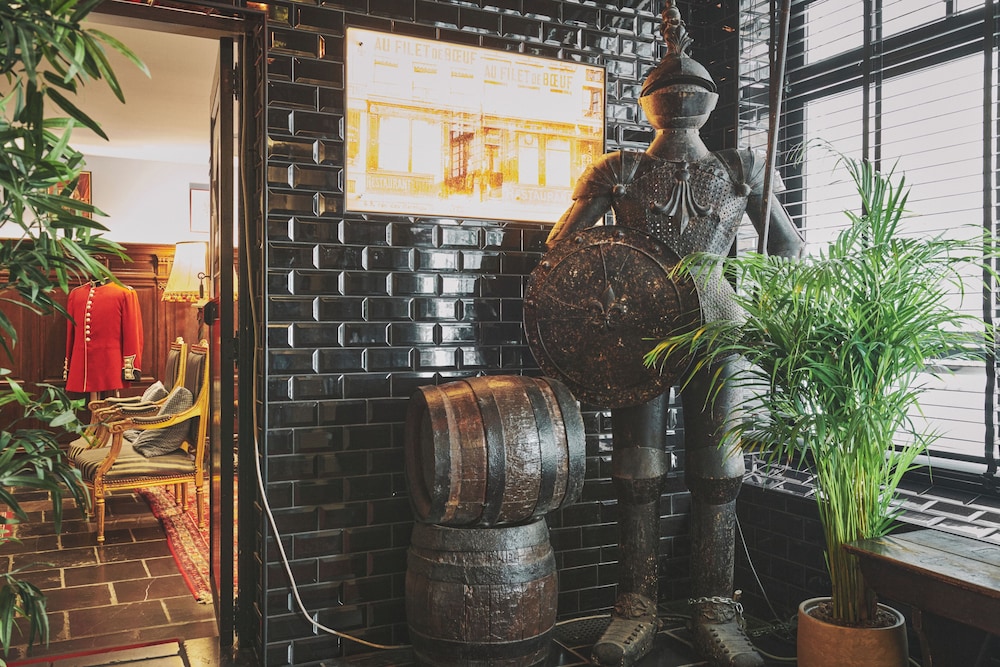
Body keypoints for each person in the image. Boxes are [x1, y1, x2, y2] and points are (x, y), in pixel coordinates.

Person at [539, 3, 804, 666]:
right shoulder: (620, 170)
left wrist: (756, 304)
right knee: (638, 471)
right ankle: (636, 607)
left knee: (719, 472)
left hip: (717, 328)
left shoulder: (741, 168)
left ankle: (715, 609)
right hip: (641, 331)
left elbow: (787, 248)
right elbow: (564, 254)